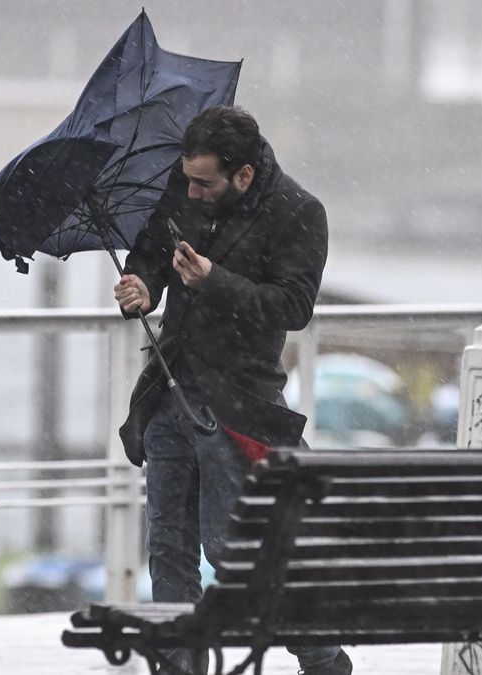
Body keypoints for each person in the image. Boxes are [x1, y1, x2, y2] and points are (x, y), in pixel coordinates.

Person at [113, 106, 352, 675]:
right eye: (187, 179)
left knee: (232, 550)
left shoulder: (298, 212)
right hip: (172, 391)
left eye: (204, 182)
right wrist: (143, 283)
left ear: (242, 174)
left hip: (241, 403)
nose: (191, 192)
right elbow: (150, 248)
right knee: (168, 547)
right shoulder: (185, 187)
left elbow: (293, 307)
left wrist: (213, 280)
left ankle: (321, 659)